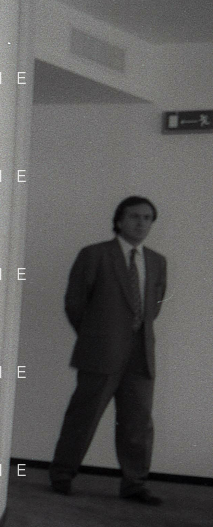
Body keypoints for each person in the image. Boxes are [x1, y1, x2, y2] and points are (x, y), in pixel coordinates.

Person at [49, 196, 167, 505]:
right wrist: (96, 337)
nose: (141, 223)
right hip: (100, 353)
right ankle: (62, 475)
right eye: (134, 216)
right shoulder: (94, 255)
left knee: (138, 423)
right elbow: (75, 303)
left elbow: (154, 306)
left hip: (141, 355)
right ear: (119, 220)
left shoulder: (157, 261)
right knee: (83, 417)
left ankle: (135, 484)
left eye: (147, 218)